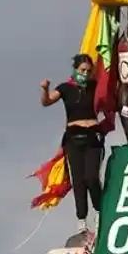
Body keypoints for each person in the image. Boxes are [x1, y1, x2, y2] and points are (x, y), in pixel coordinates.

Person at [41, 54, 104, 231]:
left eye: (88, 71)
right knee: (78, 180)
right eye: (82, 70)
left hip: (92, 136)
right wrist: (45, 89)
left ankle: (99, 211)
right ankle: (81, 219)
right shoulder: (65, 88)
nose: (85, 73)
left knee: (92, 177)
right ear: (75, 70)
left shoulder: (94, 86)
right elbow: (46, 102)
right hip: (73, 138)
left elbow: (107, 91)